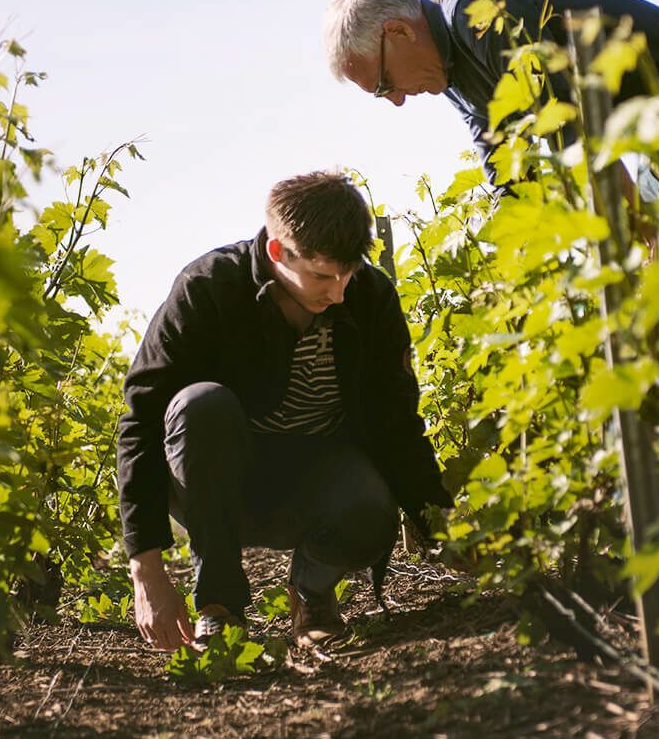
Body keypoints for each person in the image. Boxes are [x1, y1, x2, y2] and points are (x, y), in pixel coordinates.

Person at [118, 171, 451, 652]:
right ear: (278, 252)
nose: (338, 293)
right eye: (322, 276)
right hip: (216, 486)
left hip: (318, 481)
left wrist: (440, 527)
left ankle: (312, 593)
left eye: (347, 274)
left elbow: (396, 422)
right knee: (200, 405)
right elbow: (141, 421)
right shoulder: (207, 289)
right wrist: (146, 571)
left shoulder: (370, 297)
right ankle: (220, 608)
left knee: (372, 507)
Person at [323, 0, 659, 182]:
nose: (397, 100)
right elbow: (508, 174)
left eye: (384, 84)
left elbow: (567, 125)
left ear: (398, 32)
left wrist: (633, 220)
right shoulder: (453, 77)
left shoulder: (477, 13)